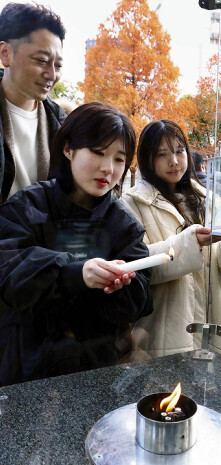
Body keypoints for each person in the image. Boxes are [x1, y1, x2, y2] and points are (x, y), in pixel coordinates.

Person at [0, 102, 153, 386]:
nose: (108, 168)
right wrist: (74, 271)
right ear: (68, 149)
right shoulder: (29, 205)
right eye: (98, 152)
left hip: (97, 373)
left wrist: (124, 282)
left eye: (119, 159)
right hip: (23, 371)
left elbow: (139, 302)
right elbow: (7, 270)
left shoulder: (123, 224)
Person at [122, 119, 221, 358]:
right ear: (147, 158)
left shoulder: (207, 199)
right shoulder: (133, 203)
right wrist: (191, 242)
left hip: (212, 325)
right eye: (162, 154)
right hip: (164, 332)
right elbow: (139, 269)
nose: (174, 161)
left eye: (179, 151)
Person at [0, 2, 67, 203]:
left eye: (58, 65)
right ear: (5, 54)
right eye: (41, 61)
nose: (52, 75)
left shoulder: (64, 126)